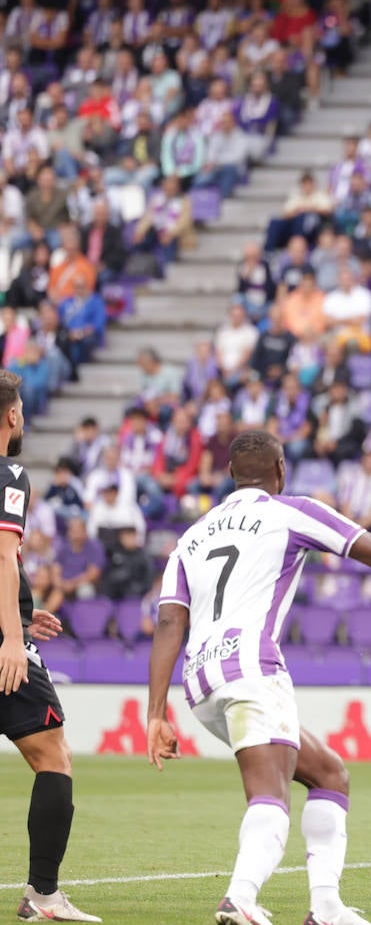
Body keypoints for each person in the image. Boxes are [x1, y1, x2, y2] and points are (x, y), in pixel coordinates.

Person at [145, 430, 371, 925]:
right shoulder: (290, 509)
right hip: (251, 665)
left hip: (200, 679)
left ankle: (326, 907)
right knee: (269, 793)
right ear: (280, 471)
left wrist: (154, 714)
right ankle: (240, 897)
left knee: (329, 774)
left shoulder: (189, 538)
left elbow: (170, 622)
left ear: (230, 474)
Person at [0, 371, 100, 922]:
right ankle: (43, 896)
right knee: (53, 756)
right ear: (12, 415)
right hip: (2, 648)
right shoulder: (10, 471)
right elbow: (0, 552)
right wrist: (12, 636)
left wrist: (19, 606)